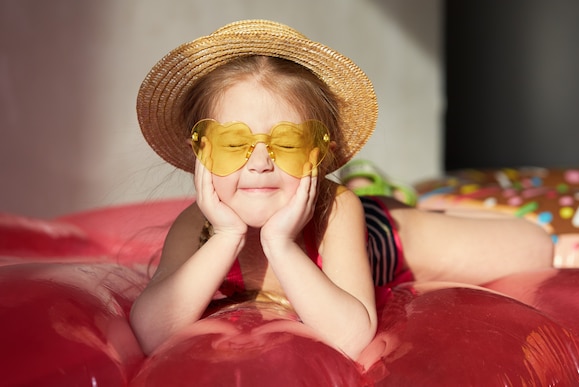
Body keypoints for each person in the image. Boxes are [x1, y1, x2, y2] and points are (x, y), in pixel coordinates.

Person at [130, 19, 553, 361]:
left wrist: (279, 242)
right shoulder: (200, 226)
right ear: (200, 152)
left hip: (381, 238)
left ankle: (413, 207)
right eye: (234, 144)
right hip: (331, 223)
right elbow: (152, 331)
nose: (259, 162)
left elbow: (351, 336)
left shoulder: (337, 209)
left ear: (317, 152)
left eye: (287, 144)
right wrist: (226, 235)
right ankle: (403, 199)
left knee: (533, 245)